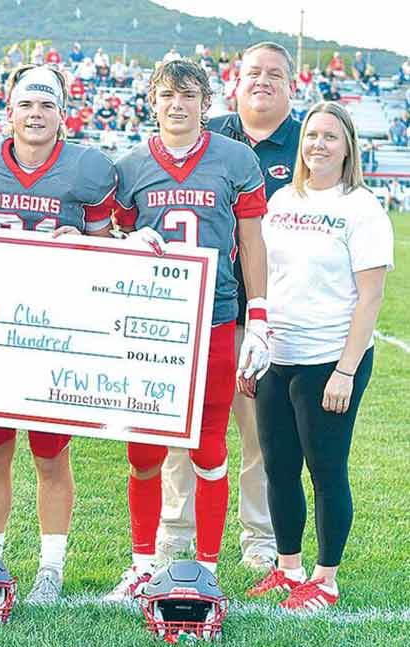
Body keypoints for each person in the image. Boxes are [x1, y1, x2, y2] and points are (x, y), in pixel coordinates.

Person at [0, 64, 117, 604]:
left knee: (50, 455)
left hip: (54, 333)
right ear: (10, 111)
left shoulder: (86, 169)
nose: (36, 115)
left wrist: (84, 244)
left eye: (47, 106)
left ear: (62, 114)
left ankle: (51, 566)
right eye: (26, 104)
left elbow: (106, 249)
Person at [106, 59, 271, 602]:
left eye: (188, 95)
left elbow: (251, 240)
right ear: (152, 102)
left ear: (205, 103)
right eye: (167, 95)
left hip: (216, 318)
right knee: (143, 450)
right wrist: (127, 243)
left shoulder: (235, 159)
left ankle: (206, 566)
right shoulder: (130, 166)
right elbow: (114, 239)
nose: (177, 105)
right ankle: (142, 564)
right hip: (153, 326)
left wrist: (259, 316)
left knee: (209, 447)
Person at [158, 42, 301, 572]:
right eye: (253, 72)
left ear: (292, 85)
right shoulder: (205, 133)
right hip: (198, 312)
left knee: (259, 431)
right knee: (182, 427)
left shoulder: (306, 141)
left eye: (275, 74)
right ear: (234, 82)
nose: (262, 81)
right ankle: (176, 529)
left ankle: (259, 535)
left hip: (270, 311)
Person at [246, 101, 393, 611]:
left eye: (330, 136)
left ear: (348, 146)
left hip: (330, 358)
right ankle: (289, 569)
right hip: (278, 356)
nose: (318, 145)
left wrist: (345, 371)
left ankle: (325, 579)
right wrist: (257, 344)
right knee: (279, 467)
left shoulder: (362, 207)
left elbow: (371, 297)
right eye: (312, 135)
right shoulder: (282, 199)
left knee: (326, 471)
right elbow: (265, 276)